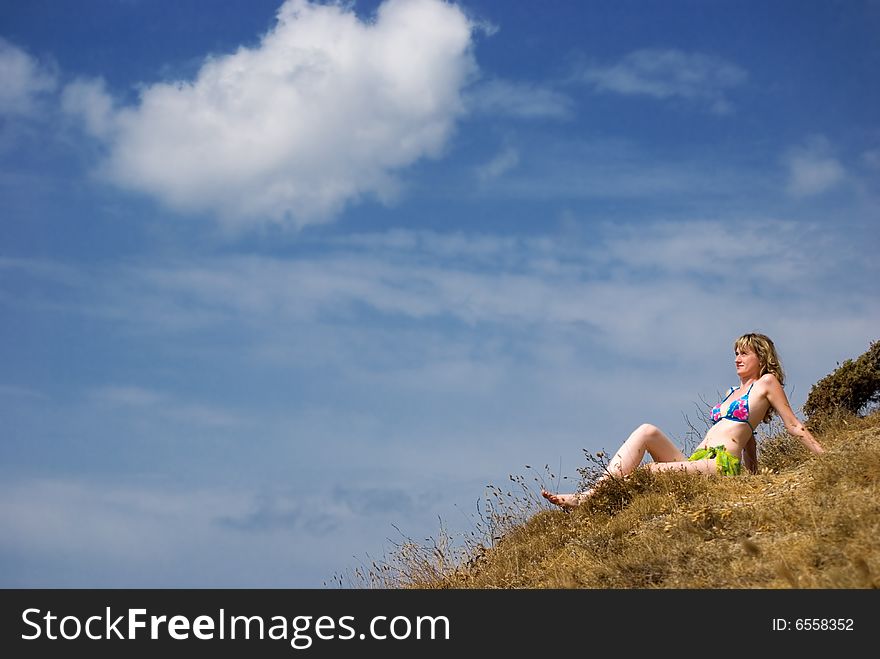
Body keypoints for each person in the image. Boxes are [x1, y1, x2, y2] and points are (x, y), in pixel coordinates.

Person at [541, 332, 825, 509]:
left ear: (761, 357)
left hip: (723, 465)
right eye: (735, 353)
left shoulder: (766, 383)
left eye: (744, 353)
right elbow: (748, 437)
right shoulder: (731, 393)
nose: (737, 358)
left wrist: (826, 457)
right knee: (646, 430)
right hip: (699, 459)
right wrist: (754, 475)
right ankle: (593, 494)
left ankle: (593, 503)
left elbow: (793, 425)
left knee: (651, 471)